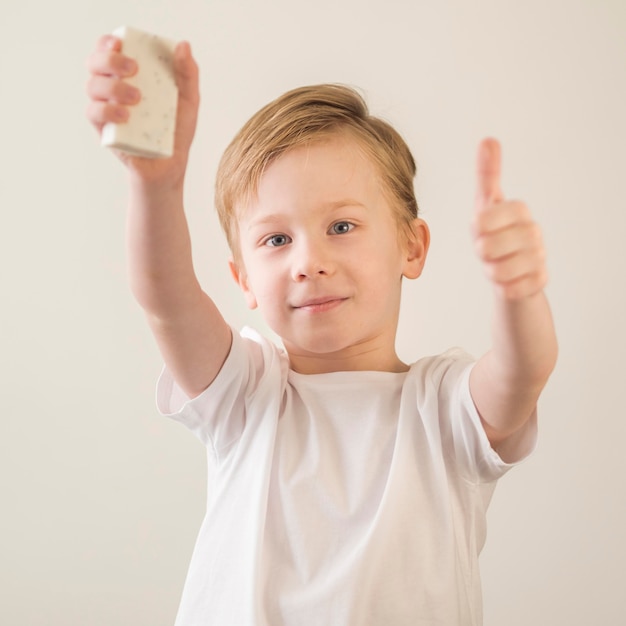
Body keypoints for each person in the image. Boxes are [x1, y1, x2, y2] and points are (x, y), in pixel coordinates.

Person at [86, 34, 558, 626]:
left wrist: (520, 293)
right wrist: (156, 186)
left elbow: (523, 371)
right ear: (245, 281)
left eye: (341, 226)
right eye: (276, 239)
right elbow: (166, 298)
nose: (308, 261)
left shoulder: (445, 411)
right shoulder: (245, 394)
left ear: (412, 246)